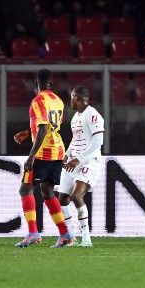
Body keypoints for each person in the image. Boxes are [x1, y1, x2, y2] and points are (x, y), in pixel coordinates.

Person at [14, 69, 73, 248]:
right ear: (51, 84)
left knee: (25, 190)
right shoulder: (58, 101)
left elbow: (42, 130)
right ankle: (65, 234)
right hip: (58, 151)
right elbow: (52, 126)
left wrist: (31, 157)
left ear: (36, 84)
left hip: (43, 153)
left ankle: (33, 233)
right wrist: (27, 132)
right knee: (47, 192)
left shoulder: (38, 100)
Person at [57, 86, 104, 247]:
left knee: (77, 196)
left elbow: (98, 142)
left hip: (90, 162)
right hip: (74, 161)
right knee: (62, 198)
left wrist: (78, 160)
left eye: (71, 97)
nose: (69, 101)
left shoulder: (93, 115)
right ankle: (71, 237)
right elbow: (75, 140)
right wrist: (67, 154)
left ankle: (86, 238)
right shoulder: (76, 117)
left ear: (77, 98)